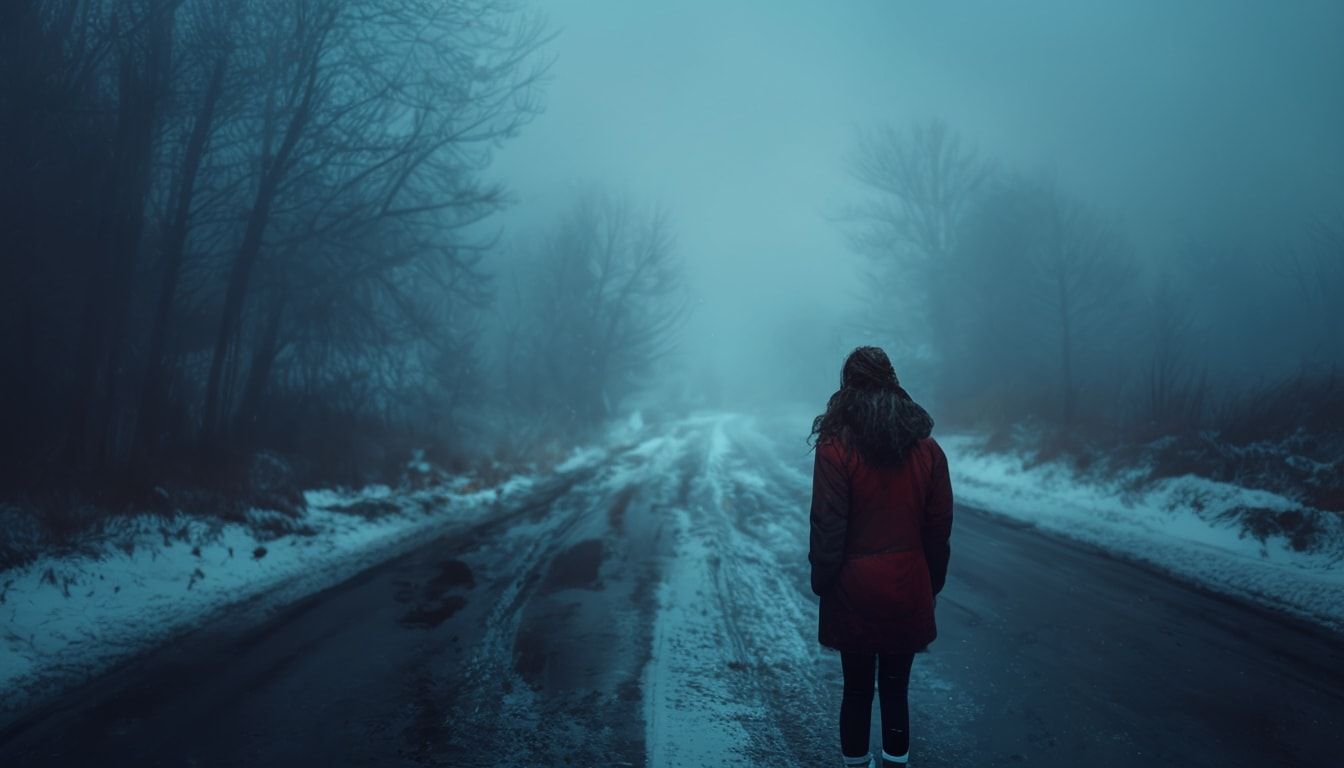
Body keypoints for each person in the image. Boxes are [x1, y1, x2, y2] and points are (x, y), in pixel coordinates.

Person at [808, 346, 953, 768]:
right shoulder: (927, 450)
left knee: (855, 688)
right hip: (907, 583)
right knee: (895, 687)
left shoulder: (835, 448)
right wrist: (930, 581)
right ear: (892, 380)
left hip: (853, 588)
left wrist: (824, 580)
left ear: (847, 385)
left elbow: (827, 525)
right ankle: (895, 763)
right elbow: (938, 527)